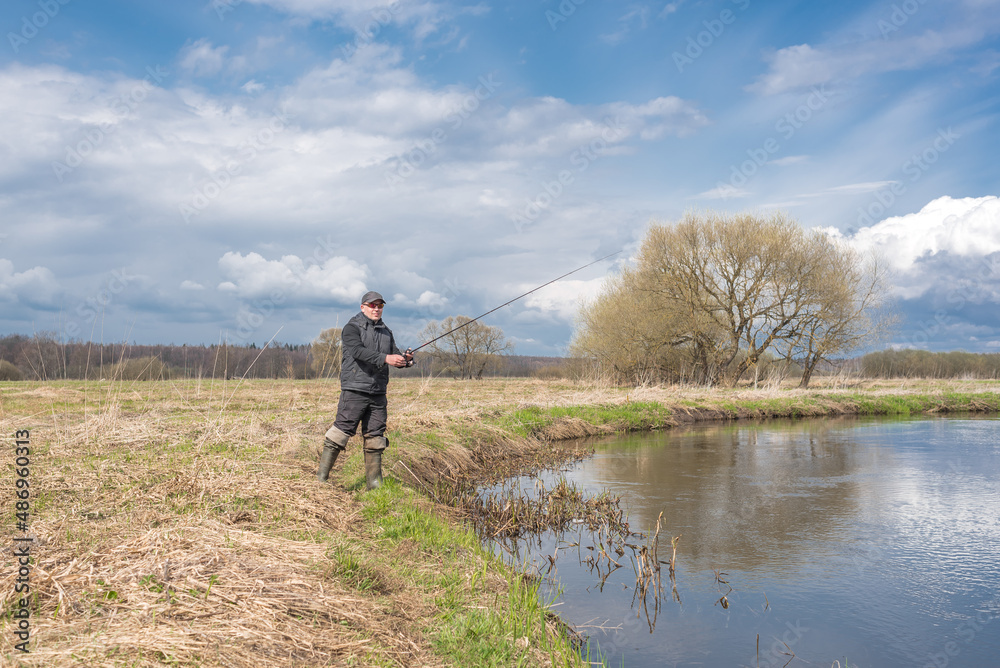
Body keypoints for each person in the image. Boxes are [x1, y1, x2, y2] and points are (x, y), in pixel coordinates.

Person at [318, 291, 413, 489]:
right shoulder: (351, 328)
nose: (376, 309)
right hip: (355, 388)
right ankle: (321, 479)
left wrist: (405, 360)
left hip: (378, 391)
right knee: (341, 431)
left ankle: (374, 484)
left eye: (380, 306)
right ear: (363, 307)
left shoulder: (386, 331)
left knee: (376, 435)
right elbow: (358, 351)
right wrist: (386, 358)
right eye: (372, 305)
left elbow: (393, 354)